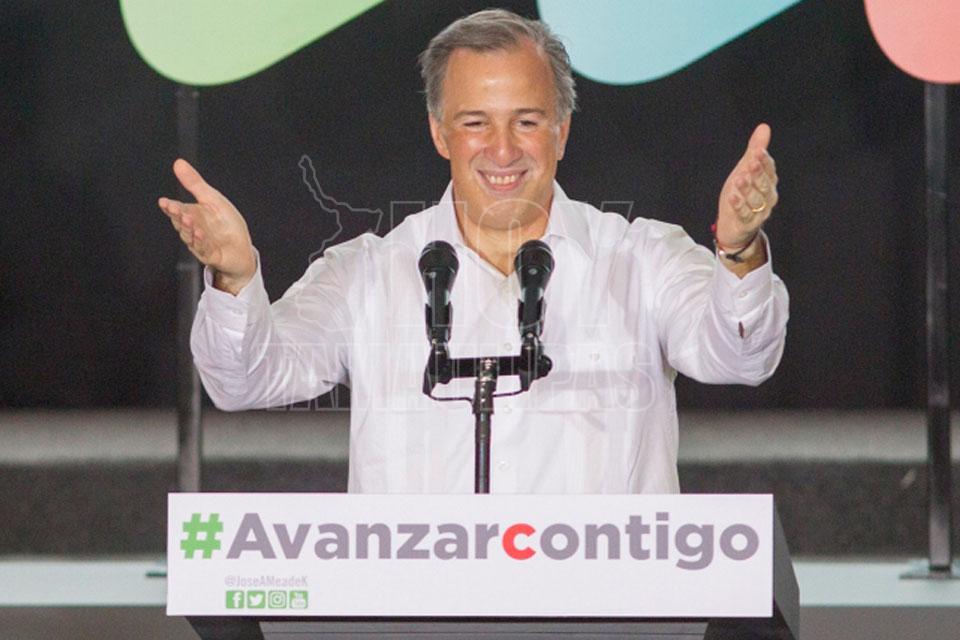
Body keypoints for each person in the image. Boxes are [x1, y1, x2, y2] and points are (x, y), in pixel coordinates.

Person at [158, 9, 787, 494]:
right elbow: (245, 380)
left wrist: (737, 252)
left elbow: (740, 355)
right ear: (440, 133)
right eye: (475, 122)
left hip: (605, 607)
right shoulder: (367, 274)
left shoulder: (642, 258)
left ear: (562, 132)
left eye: (527, 121)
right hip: (415, 607)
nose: (503, 149)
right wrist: (234, 277)